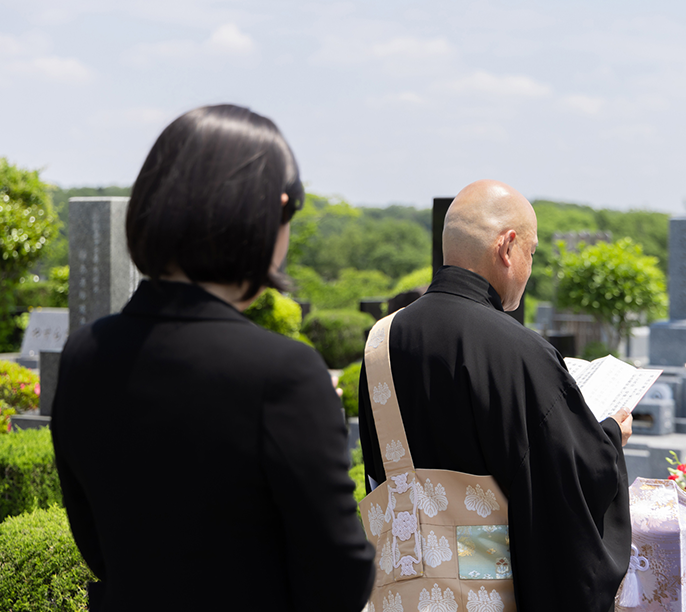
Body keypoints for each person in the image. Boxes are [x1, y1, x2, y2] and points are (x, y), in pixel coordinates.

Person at [52, 104, 375, 611]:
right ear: (271, 213)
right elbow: (339, 574)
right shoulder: (283, 373)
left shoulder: (85, 353)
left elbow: (95, 543)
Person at [359, 179, 632, 612]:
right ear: (507, 247)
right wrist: (608, 438)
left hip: (401, 591)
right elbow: (564, 482)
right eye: (531, 252)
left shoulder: (382, 341)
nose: (528, 267)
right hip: (487, 596)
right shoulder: (519, 351)